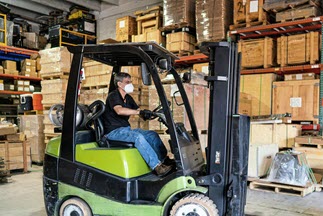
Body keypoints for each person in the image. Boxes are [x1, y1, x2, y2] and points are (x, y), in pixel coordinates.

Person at [102, 72, 173, 176]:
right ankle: (157, 167)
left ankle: (164, 161)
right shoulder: (113, 96)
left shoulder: (128, 98)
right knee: (137, 137)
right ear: (119, 84)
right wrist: (139, 112)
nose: (130, 84)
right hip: (113, 132)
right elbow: (119, 110)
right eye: (127, 82)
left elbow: (138, 111)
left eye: (130, 82)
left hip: (126, 130)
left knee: (152, 135)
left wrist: (149, 114)